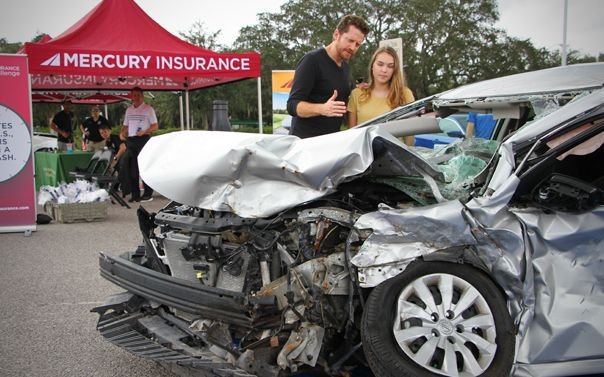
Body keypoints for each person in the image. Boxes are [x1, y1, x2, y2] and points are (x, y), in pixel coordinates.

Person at [286, 14, 370, 138]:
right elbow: (292, 105)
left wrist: (360, 91)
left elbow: (339, 99)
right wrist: (322, 109)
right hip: (305, 144)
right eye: (350, 40)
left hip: (330, 143)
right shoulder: (312, 61)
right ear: (336, 34)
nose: (353, 47)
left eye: (357, 44)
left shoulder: (345, 67)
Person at [347, 46, 416, 146]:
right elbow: (351, 135)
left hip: (395, 156)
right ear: (372, 66)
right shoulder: (357, 94)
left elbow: (410, 134)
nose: (384, 70)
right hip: (364, 156)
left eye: (390, 66)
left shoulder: (405, 94)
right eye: (380, 64)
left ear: (394, 70)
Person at [120, 87, 158, 203]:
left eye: (138, 95)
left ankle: (147, 193)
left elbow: (155, 126)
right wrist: (122, 133)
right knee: (132, 167)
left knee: (144, 166)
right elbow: (126, 125)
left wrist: (144, 131)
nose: (136, 98)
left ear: (142, 96)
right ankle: (135, 194)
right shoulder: (129, 110)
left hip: (143, 139)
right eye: (134, 95)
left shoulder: (148, 109)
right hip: (131, 140)